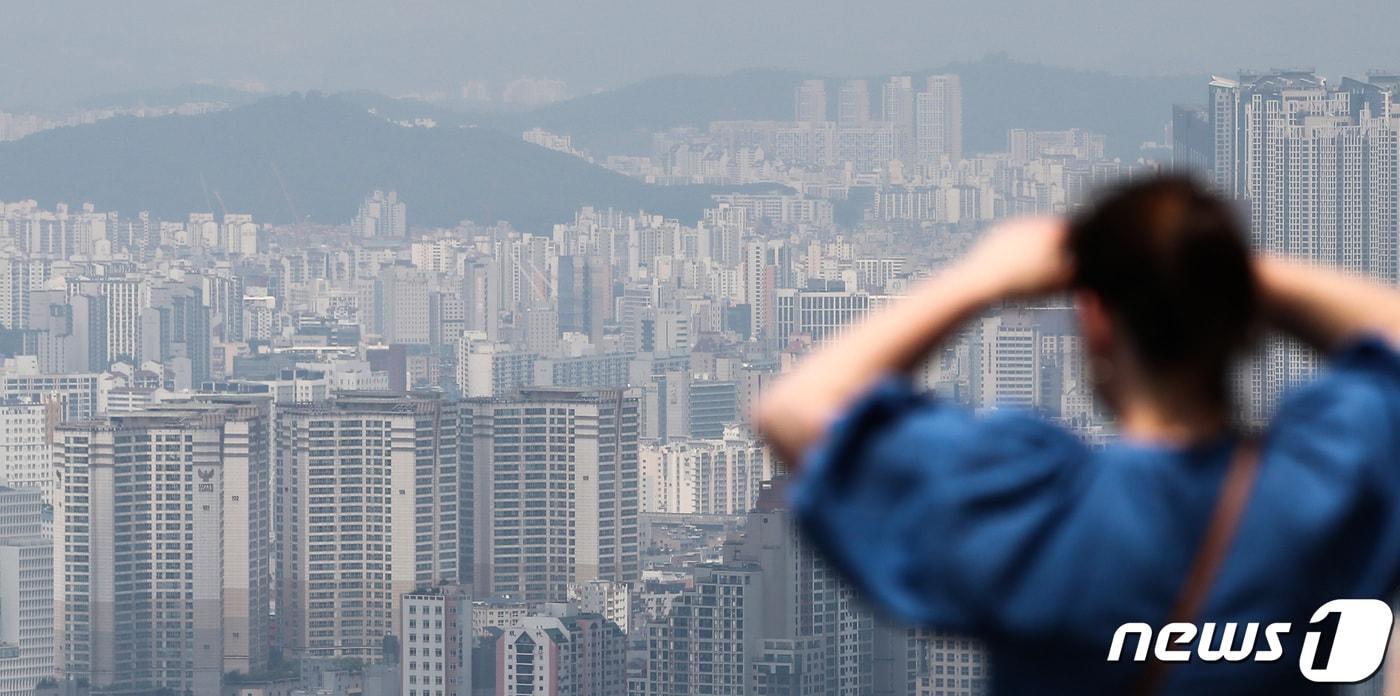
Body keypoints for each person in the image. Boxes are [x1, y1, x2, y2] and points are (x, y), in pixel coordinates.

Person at [753, 176, 1400, 694]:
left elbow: (796, 409)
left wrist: (982, 278)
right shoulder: (1322, 489)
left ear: (1094, 323)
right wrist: (1213, 269)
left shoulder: (1031, 510)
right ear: (1231, 315)